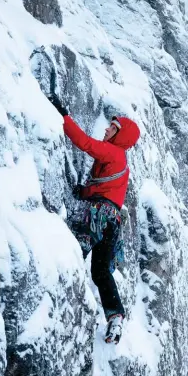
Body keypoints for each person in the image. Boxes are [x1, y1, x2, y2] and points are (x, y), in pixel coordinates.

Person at [52, 101, 141, 344]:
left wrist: (64, 117)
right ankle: (115, 317)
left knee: (73, 252)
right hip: (112, 220)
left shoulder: (113, 152)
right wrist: (82, 193)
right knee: (100, 271)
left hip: (97, 215)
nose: (106, 131)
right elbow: (104, 189)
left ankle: (58, 298)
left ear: (120, 135)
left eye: (112, 129)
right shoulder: (120, 162)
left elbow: (85, 143)